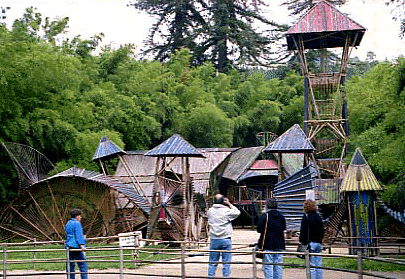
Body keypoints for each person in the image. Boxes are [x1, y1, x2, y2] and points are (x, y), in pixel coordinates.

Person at [207, 194, 240, 279]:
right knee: (226, 262)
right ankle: (226, 277)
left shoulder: (210, 211)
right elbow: (237, 212)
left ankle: (211, 276)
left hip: (214, 239)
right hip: (225, 238)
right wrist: (229, 204)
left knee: (213, 261)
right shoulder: (227, 211)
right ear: (223, 201)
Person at [257, 198, 286, 279]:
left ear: (267, 206)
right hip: (279, 244)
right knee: (278, 266)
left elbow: (259, 229)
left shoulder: (265, 216)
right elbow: (284, 228)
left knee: (268, 266)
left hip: (267, 244)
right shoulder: (281, 216)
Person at [299, 199, 324, 279]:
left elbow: (303, 231)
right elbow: (322, 230)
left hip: (310, 243)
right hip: (318, 242)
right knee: (318, 265)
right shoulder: (318, 217)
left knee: (311, 265)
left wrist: (302, 241)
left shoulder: (306, 217)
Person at [65, 208, 88, 279]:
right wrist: (82, 246)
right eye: (80, 216)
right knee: (83, 265)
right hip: (76, 246)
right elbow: (78, 235)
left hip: (69, 245)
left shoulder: (68, 223)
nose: (80, 217)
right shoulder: (77, 223)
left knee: (70, 265)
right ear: (77, 216)